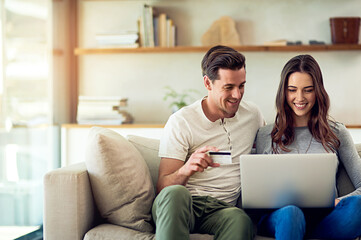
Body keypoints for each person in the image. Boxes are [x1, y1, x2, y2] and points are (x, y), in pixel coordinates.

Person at [152, 45, 265, 240]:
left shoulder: (253, 115)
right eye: (228, 87)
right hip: (182, 205)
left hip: (221, 210)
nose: (237, 95)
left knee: (240, 219)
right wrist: (186, 169)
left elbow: (268, 153)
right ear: (208, 83)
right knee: (176, 194)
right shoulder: (182, 121)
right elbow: (163, 188)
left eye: (242, 86)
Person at [256, 54, 361, 240]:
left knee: (357, 206)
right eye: (292, 90)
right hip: (282, 217)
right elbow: (256, 192)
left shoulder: (337, 131)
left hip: (324, 219)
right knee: (292, 214)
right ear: (284, 92)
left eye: (308, 90)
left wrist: (337, 201)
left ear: (318, 91)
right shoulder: (266, 134)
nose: (299, 98)